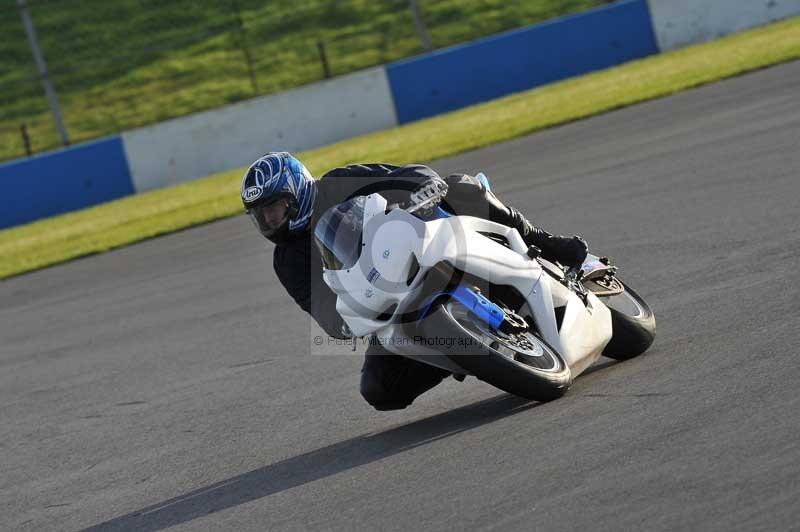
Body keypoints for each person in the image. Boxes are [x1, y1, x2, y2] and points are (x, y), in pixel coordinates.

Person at [241, 152, 587, 411]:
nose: (270, 221)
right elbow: (321, 311)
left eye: (275, 208)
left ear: (297, 191)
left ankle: (543, 241)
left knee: (461, 187)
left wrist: (420, 189)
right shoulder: (286, 261)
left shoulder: (339, 183)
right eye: (261, 216)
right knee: (379, 391)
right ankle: (471, 354)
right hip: (389, 304)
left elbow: (407, 174)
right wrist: (344, 323)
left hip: (425, 245)